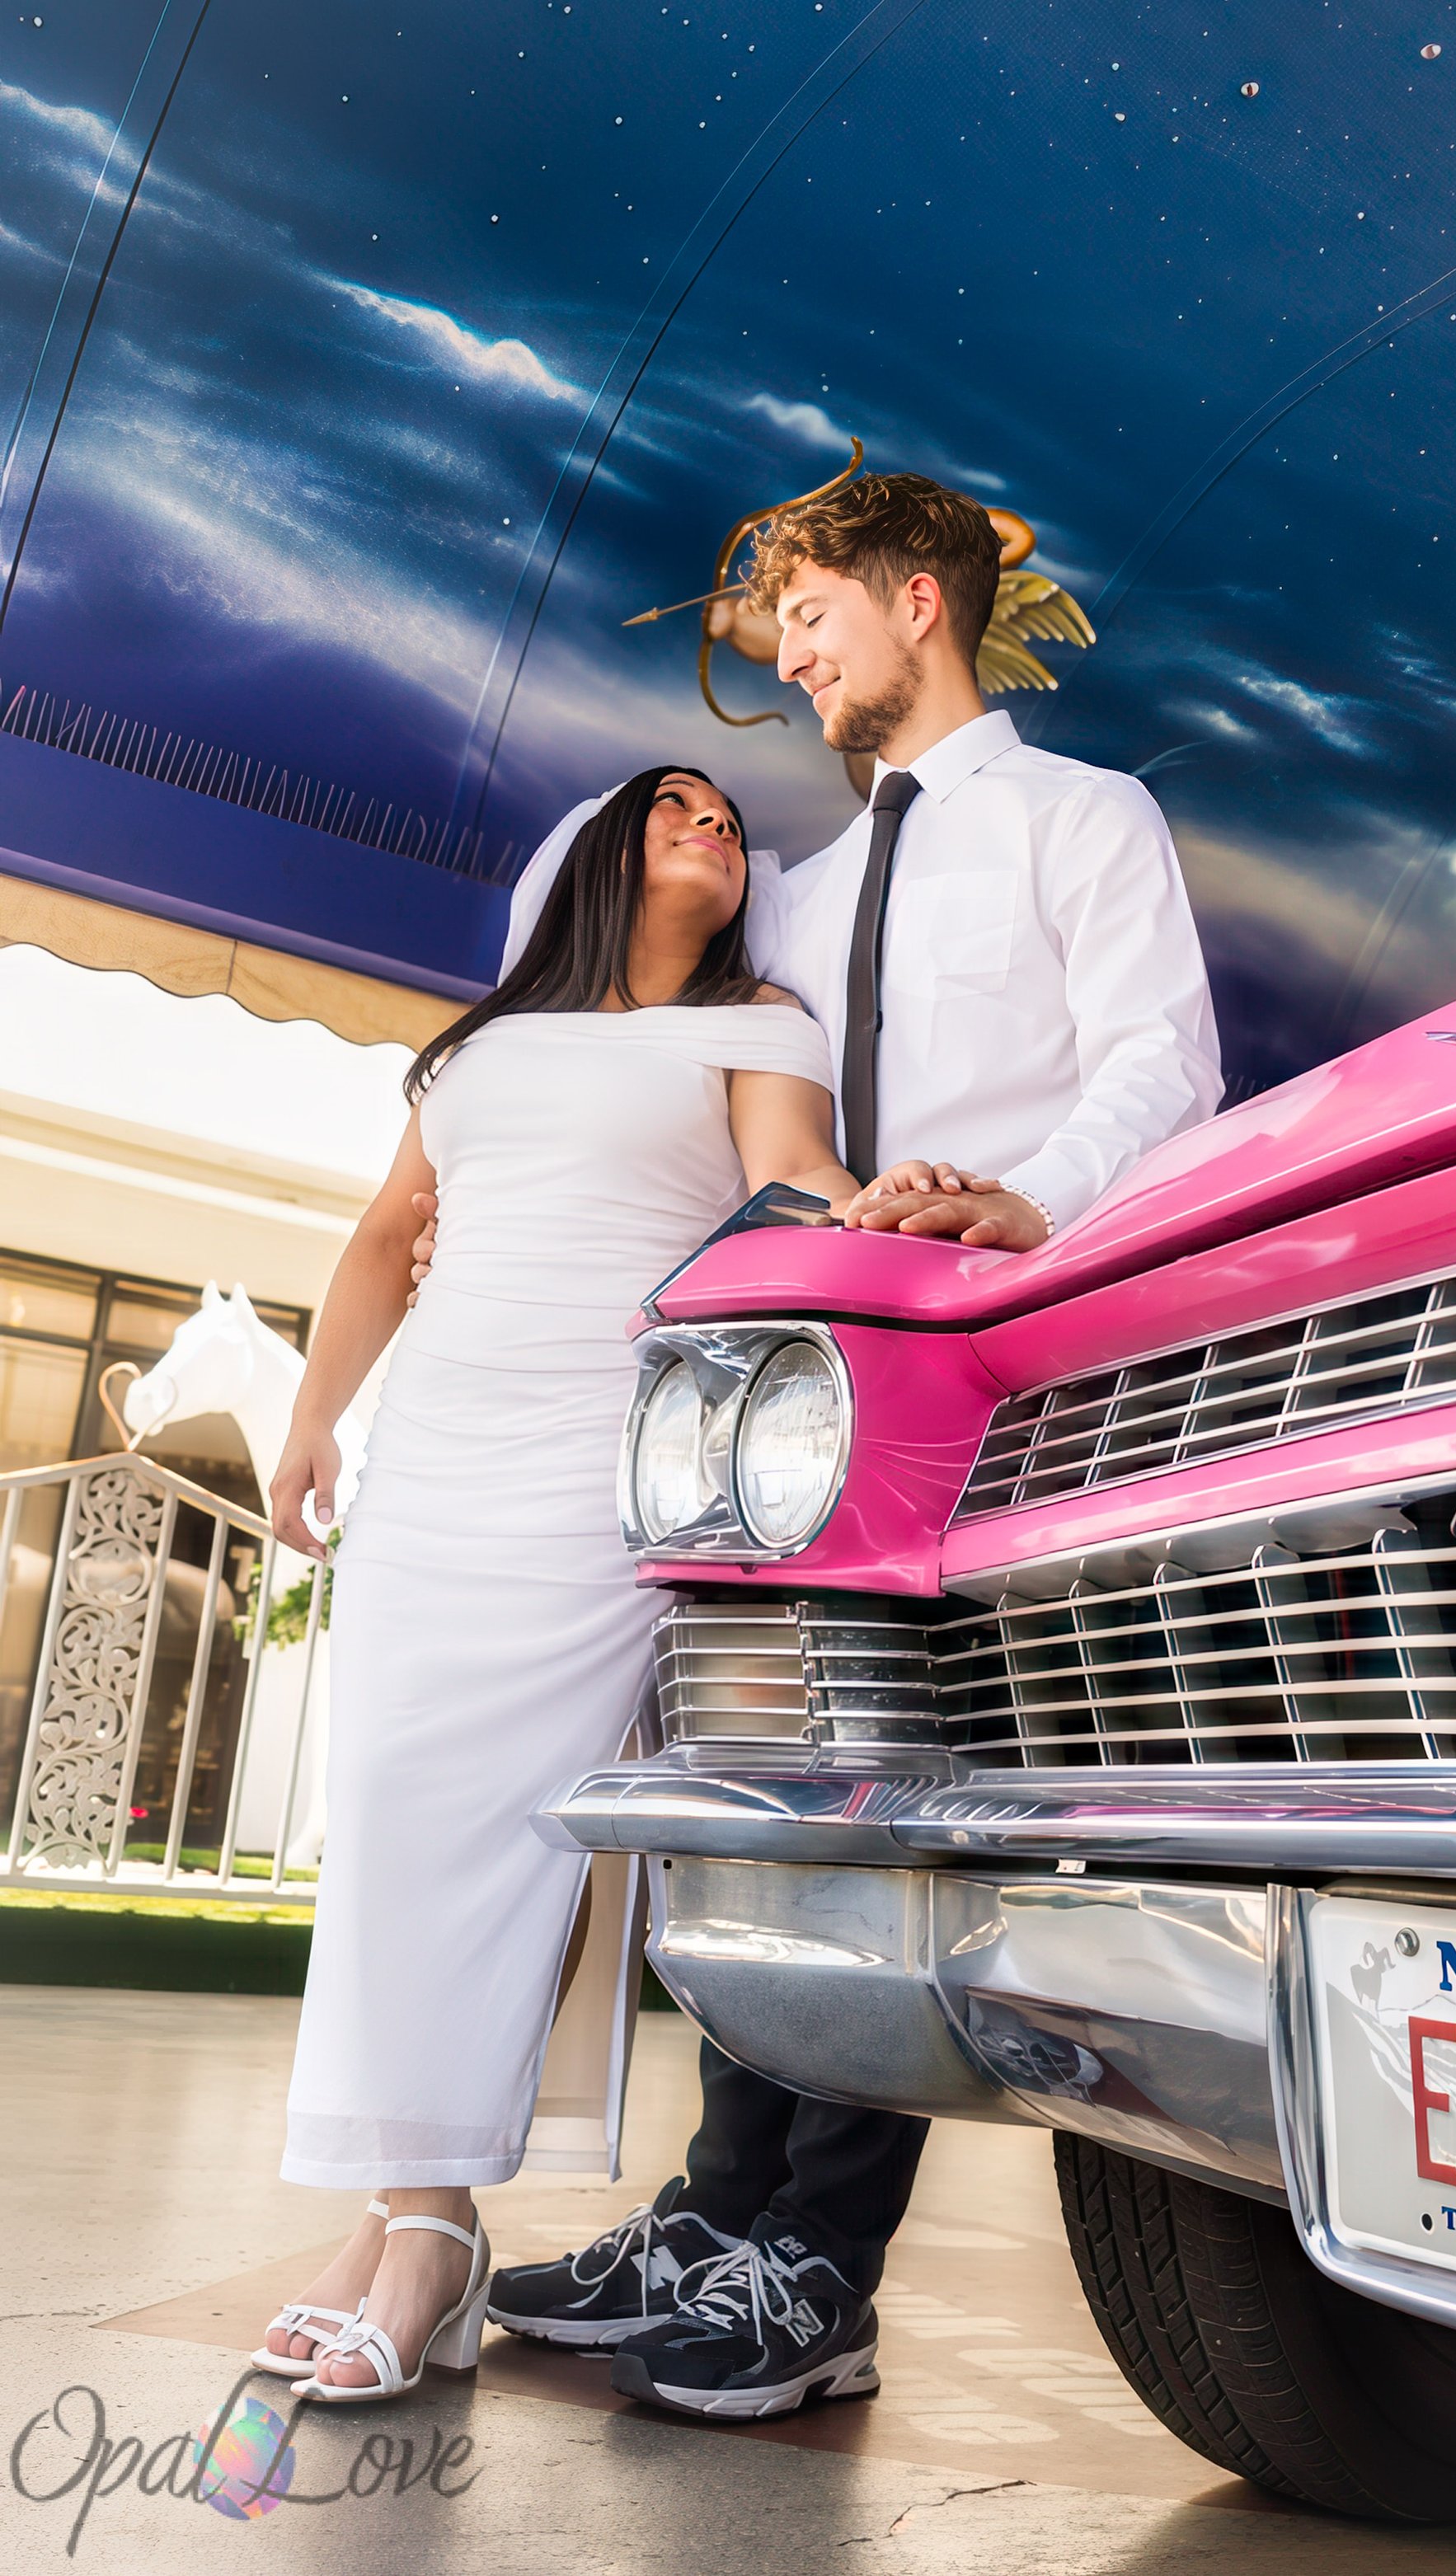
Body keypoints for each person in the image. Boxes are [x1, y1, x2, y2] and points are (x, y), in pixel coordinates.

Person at [479, 472, 1223, 2419]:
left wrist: (1024, 1197)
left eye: (808, 613)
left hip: (1008, 1383)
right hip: (794, 1401)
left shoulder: (1087, 818)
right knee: (765, 1792)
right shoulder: (791, 896)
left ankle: (818, 2270)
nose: (787, 654)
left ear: (915, 602)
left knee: (894, 1806)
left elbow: (1163, 1062)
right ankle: (725, 2210)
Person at [256, 768, 856, 2405]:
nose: (710, 819)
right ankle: (408, 2211)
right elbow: (393, 1231)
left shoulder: (760, 1019)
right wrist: (315, 1424)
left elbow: (791, 1184)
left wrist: (896, 1214)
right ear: (601, 848)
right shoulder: (477, 1045)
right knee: (384, 1807)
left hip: (597, 1461)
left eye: (729, 815)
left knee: (505, 1828)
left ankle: (429, 2233)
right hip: (432, 1449)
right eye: (674, 801)